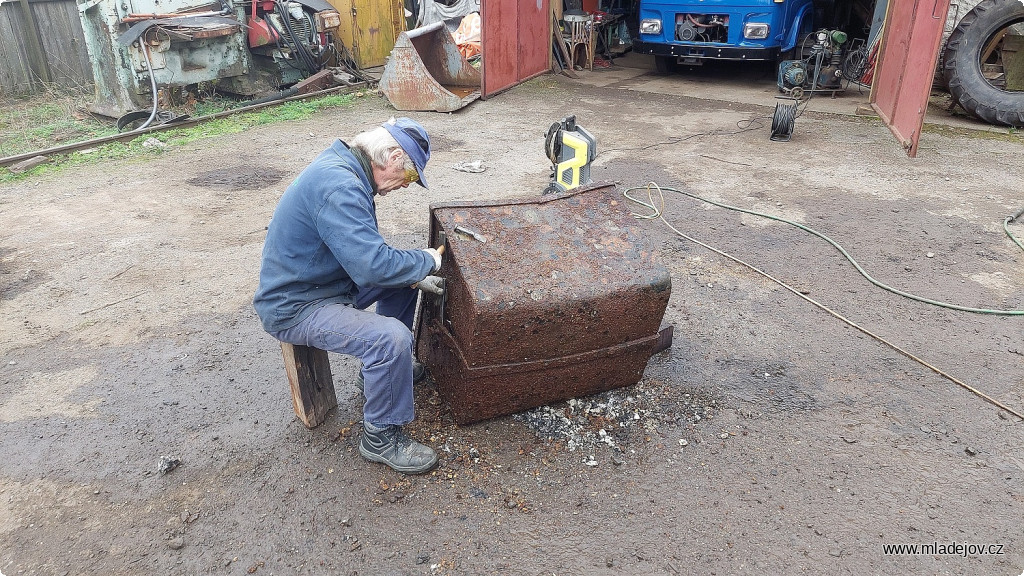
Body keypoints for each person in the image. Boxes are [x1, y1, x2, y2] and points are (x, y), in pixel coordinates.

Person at [253, 117, 445, 475]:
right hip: (297, 304)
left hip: (321, 282)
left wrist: (413, 274)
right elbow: (373, 266)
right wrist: (428, 260)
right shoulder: (339, 186)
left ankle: (378, 376)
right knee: (390, 339)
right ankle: (381, 436)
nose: (406, 186)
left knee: (405, 278)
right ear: (391, 157)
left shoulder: (345, 167)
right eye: (411, 176)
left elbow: (371, 261)